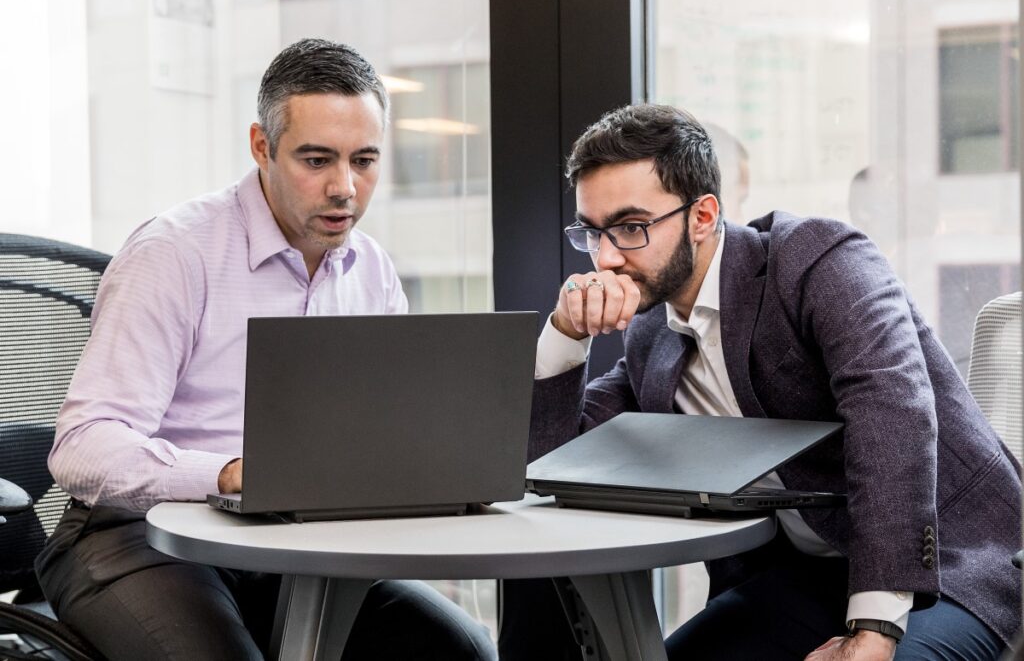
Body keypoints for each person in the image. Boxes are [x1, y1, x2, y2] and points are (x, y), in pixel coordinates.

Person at [36, 38, 496, 661]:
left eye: (364, 160)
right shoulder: (175, 253)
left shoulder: (371, 269)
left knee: (462, 650)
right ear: (261, 146)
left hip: (298, 540)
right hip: (137, 537)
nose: (345, 188)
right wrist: (225, 475)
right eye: (316, 160)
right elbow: (83, 446)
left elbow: (380, 432)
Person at [529, 103, 1021, 660]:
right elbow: (554, 463)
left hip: (947, 571)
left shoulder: (818, 261)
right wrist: (565, 333)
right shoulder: (652, 333)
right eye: (592, 233)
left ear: (703, 216)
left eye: (631, 227)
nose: (608, 258)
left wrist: (875, 628)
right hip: (799, 579)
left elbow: (893, 414)